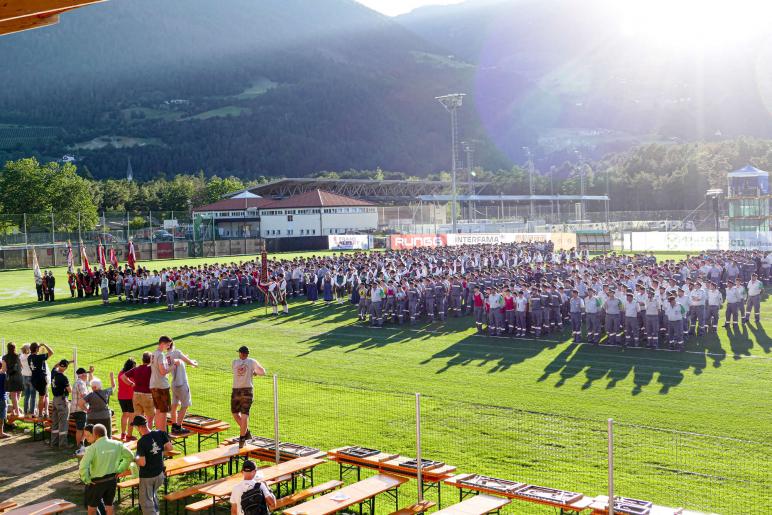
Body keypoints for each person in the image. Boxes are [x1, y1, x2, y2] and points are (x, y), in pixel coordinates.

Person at [78, 423, 134, 515]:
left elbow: (83, 466)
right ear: (106, 432)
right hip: (112, 480)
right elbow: (130, 456)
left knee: (92, 509)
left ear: (95, 434)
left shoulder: (92, 448)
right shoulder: (117, 444)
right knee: (109, 506)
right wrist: (120, 469)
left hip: (96, 483)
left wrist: (86, 480)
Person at [132, 415, 172, 515]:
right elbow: (170, 447)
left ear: (138, 427)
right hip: (160, 474)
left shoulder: (141, 442)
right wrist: (159, 452)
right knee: (153, 495)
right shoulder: (160, 433)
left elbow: (142, 462)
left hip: (148, 477)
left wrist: (134, 459)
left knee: (146, 503)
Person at [231, 345, 266, 448]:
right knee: (239, 414)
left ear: (241, 353)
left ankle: (242, 438)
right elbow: (262, 372)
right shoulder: (252, 362)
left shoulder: (235, 362)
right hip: (244, 390)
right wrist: (254, 372)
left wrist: (253, 372)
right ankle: (246, 433)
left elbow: (236, 372)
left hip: (238, 390)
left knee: (240, 414)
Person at [167, 341, 197, 435]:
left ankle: (174, 425)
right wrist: (193, 364)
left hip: (174, 384)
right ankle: (179, 426)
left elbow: (180, 361)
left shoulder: (166, 356)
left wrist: (186, 359)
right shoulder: (177, 352)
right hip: (182, 384)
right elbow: (187, 361)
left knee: (174, 405)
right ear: (172, 344)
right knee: (185, 405)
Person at [149, 336, 176, 431]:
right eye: (168, 345)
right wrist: (174, 366)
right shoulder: (161, 355)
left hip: (153, 384)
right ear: (162, 344)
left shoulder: (153, 354)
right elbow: (163, 371)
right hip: (161, 386)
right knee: (164, 411)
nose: (168, 347)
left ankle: (158, 431)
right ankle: (163, 433)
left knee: (158, 410)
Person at [124, 352, 155, 427]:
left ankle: (142, 436)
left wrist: (131, 384)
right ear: (151, 359)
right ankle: (148, 437)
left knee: (139, 419)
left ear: (142, 359)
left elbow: (123, 377)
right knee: (150, 419)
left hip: (136, 395)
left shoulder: (136, 368)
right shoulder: (152, 369)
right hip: (148, 395)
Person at [84, 374, 116, 438]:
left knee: (92, 435)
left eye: (92, 386)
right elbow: (113, 386)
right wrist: (112, 377)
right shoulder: (106, 392)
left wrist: (86, 409)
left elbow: (80, 403)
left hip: (92, 417)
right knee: (107, 434)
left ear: (94, 387)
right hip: (105, 416)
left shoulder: (90, 395)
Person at [72, 366, 94, 455]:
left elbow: (91, 383)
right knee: (80, 429)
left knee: (81, 429)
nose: (87, 376)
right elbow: (84, 395)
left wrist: (91, 373)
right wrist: (92, 396)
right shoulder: (81, 383)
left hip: (77, 409)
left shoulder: (80, 382)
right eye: (86, 374)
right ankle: (79, 448)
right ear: (83, 375)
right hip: (80, 410)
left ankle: (80, 446)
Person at [50, 359, 71, 448]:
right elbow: (69, 390)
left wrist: (61, 363)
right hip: (62, 401)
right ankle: (63, 444)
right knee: (63, 422)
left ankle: (53, 442)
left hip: (54, 400)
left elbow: (55, 366)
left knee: (55, 422)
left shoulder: (53, 373)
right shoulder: (64, 377)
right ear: (66, 368)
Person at [28, 342, 53, 417]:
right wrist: (45, 345)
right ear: (36, 349)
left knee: (42, 396)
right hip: (41, 379)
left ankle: (42, 412)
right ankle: (40, 414)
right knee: (42, 397)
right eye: (38, 347)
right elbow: (51, 352)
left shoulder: (29, 357)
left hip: (34, 379)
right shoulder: (39, 357)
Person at [2, 343, 23, 418]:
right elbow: (21, 366)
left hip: (10, 377)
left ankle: (15, 411)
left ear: (8, 348)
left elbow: (4, 369)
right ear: (15, 348)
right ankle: (15, 411)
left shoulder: (4, 357)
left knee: (13, 395)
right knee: (19, 393)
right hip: (19, 376)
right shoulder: (18, 356)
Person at [118, 358, 137, 442]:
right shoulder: (131, 374)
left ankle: (123, 433)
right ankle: (129, 435)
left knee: (124, 415)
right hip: (130, 397)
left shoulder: (121, 373)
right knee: (131, 416)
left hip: (121, 397)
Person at [20, 344, 35, 416]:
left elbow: (21, 366)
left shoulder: (21, 356)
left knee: (26, 395)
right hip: (31, 376)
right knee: (33, 395)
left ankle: (25, 412)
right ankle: (31, 412)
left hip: (24, 376)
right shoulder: (31, 356)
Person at [0, 366, 8, 438]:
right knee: (1, 417)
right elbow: (7, 387)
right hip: (2, 397)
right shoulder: (3, 375)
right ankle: (1, 433)